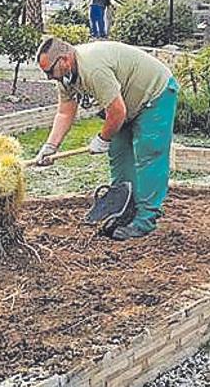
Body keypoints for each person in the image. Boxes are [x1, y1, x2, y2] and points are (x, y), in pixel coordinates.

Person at [33, 37, 179, 241]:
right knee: (119, 155)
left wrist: (103, 137)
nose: (49, 77)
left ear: (65, 59)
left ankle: (145, 219)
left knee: (149, 155)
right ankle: (124, 209)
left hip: (154, 94)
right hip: (125, 102)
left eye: (49, 71)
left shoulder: (92, 69)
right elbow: (65, 113)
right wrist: (50, 147)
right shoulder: (64, 77)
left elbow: (117, 111)